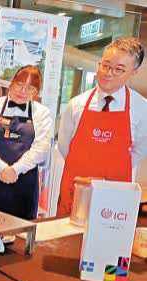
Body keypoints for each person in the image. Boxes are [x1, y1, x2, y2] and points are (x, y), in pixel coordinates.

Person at [57, 37, 147, 216]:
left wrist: (109, 172)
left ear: (133, 72)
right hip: (76, 190)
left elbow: (138, 151)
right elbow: (64, 145)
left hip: (114, 195)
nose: (108, 73)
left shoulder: (141, 108)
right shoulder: (77, 104)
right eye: (105, 65)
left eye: (119, 69)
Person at [0, 65, 52, 220]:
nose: (23, 92)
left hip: (23, 183)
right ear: (11, 83)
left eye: (30, 89)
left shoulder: (42, 113)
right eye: (20, 85)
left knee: (21, 231)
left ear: (36, 92)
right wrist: (1, 168)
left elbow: (41, 149)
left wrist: (15, 170)